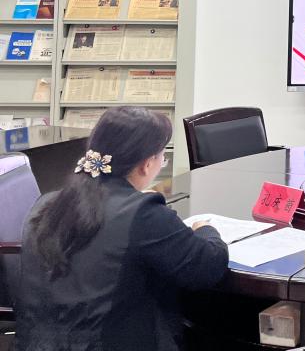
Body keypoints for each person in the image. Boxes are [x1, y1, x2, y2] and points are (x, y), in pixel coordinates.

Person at [16, 106, 228, 351]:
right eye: (162, 158)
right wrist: (205, 229)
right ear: (147, 164)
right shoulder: (143, 213)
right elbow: (207, 266)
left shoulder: (46, 204)